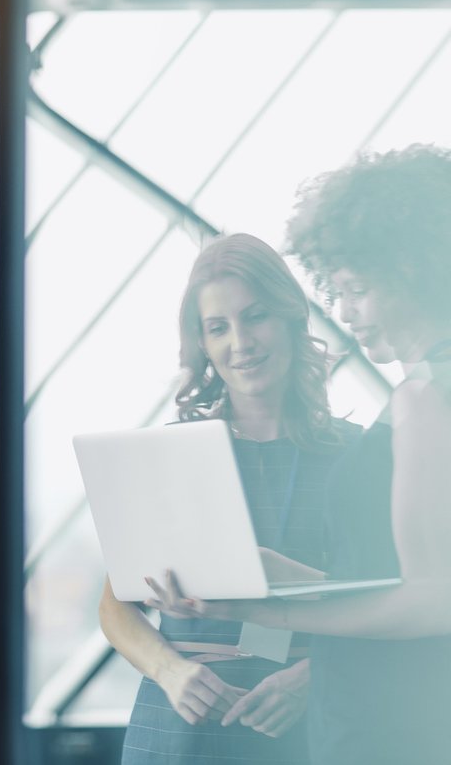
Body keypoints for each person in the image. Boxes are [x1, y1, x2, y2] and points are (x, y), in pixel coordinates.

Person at [145, 145, 451, 764]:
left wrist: (268, 608)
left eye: (356, 290)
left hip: (379, 716)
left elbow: (431, 597)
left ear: (410, 270)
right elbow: (403, 579)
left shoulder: (422, 398)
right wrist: (293, 581)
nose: (345, 314)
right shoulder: (423, 391)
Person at [99, 233, 358, 764]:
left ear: (290, 318)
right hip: (179, 728)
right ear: (203, 344)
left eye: (256, 316)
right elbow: (113, 607)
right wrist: (171, 671)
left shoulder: (355, 457)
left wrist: (316, 675)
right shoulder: (171, 453)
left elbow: (389, 603)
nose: (241, 342)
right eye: (218, 327)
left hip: (306, 723)